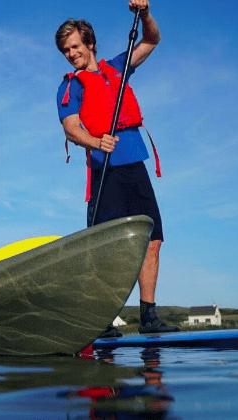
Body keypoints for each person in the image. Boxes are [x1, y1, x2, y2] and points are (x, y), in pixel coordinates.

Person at [55, 0, 177, 334]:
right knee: (106, 246)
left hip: (134, 165)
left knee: (152, 240)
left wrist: (145, 14)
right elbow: (71, 127)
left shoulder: (117, 67)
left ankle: (149, 317)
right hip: (103, 169)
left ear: (90, 44)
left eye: (75, 46)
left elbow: (151, 41)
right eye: (66, 50)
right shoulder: (69, 86)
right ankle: (104, 318)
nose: (71, 53)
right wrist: (96, 142)